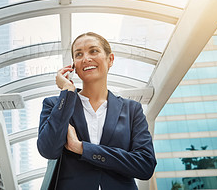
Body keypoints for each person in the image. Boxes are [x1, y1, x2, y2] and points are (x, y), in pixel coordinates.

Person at [37, 32, 157, 189]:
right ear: (73, 66)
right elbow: (48, 150)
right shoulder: (56, 105)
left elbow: (145, 165)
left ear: (110, 59)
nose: (86, 58)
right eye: (79, 54)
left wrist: (81, 148)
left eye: (93, 51)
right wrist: (67, 91)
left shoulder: (131, 110)